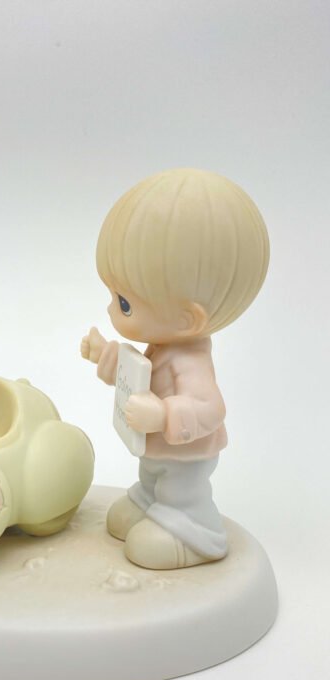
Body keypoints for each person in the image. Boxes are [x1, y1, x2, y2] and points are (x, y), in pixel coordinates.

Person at [81, 168, 269, 569]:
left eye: (124, 303)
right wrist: (105, 354)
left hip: (187, 457)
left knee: (179, 489)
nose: (112, 309)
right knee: (153, 476)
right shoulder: (162, 344)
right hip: (159, 452)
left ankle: (196, 530)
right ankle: (150, 500)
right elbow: (138, 373)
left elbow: (211, 408)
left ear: (187, 319)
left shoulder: (190, 361)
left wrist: (163, 415)